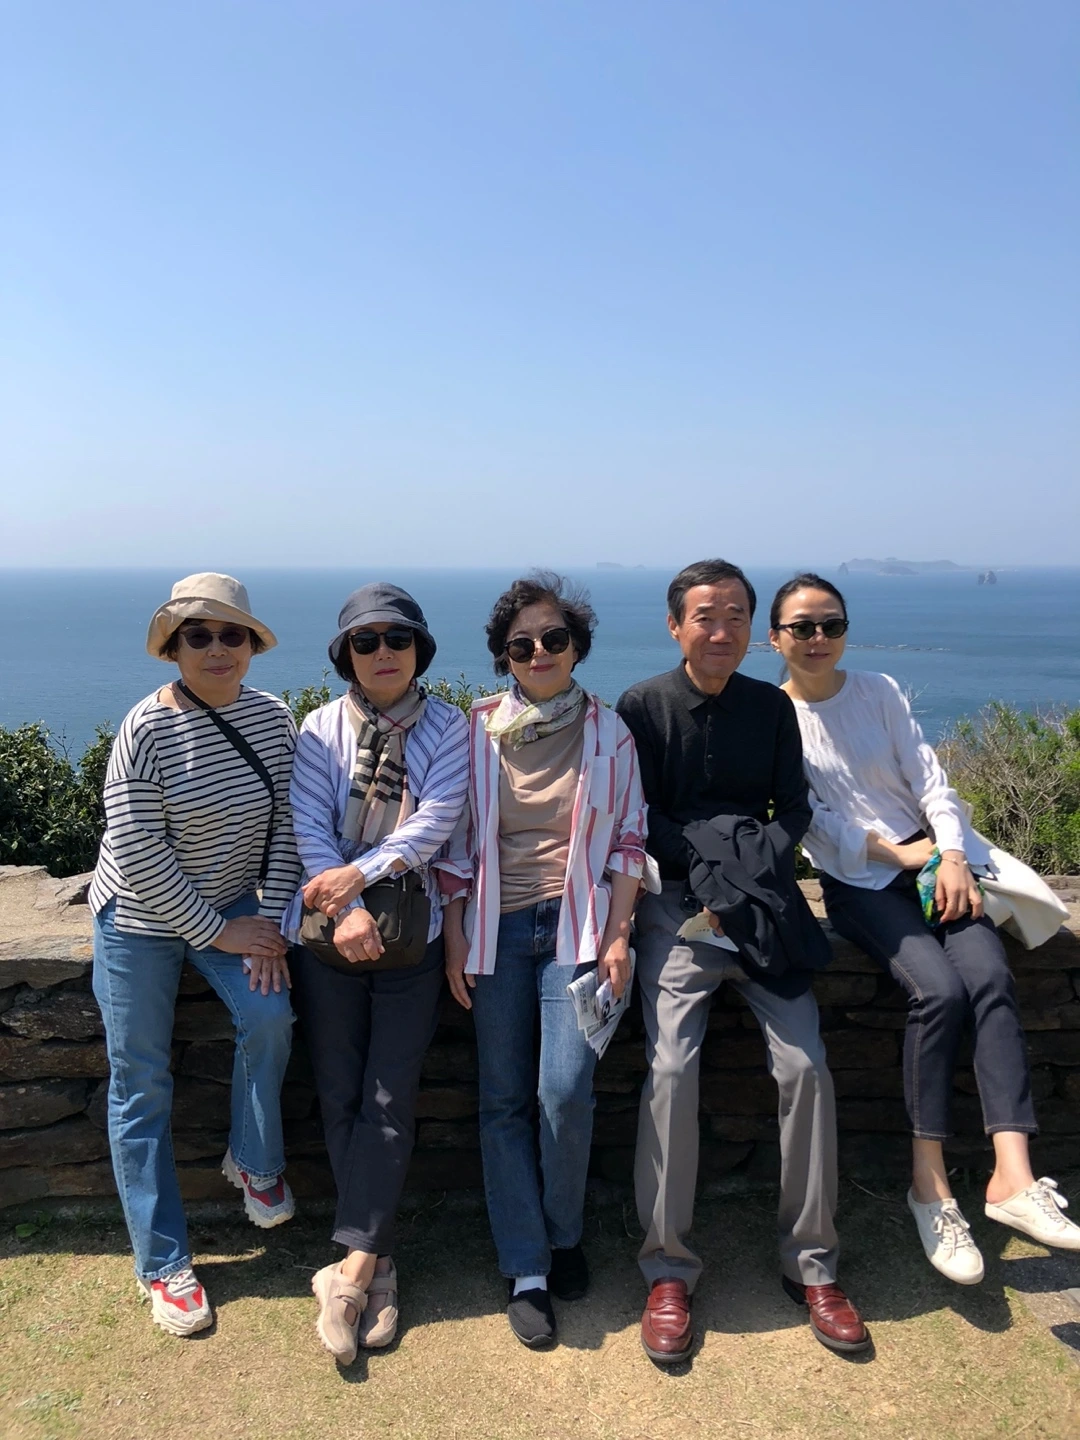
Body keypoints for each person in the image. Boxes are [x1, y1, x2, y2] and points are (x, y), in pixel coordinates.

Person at [771, 572, 1080, 1282]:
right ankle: (930, 1188)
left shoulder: (877, 690)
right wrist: (899, 853)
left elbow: (931, 779)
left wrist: (948, 853)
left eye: (831, 624)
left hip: (940, 861)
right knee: (937, 990)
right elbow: (810, 819)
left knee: (991, 978)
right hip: (860, 880)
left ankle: (1012, 1178)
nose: (818, 638)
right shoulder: (775, 717)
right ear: (776, 637)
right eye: (802, 627)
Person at [615, 558, 869, 1363]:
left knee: (807, 1066)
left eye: (734, 616)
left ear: (753, 630)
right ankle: (667, 1268)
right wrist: (706, 870)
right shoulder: (643, 706)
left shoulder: (771, 707)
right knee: (669, 1070)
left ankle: (813, 1262)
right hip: (677, 907)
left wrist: (750, 868)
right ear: (675, 626)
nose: (719, 630)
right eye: (704, 615)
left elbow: (792, 807)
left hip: (761, 906)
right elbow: (637, 814)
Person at [441, 573, 652, 1349]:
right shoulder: (475, 728)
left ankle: (564, 1235)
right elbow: (454, 840)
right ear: (504, 656)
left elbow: (630, 838)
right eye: (521, 643)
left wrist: (620, 934)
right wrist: (454, 935)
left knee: (564, 1092)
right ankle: (526, 1265)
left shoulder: (610, 732)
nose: (538, 652)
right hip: (492, 931)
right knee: (502, 1099)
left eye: (553, 638)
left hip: (578, 929)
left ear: (576, 647)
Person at [89, 573, 301, 1337]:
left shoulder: (273, 719)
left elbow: (288, 828)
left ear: (251, 645)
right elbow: (137, 848)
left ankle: (254, 1159)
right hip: (139, 918)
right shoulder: (144, 728)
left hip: (238, 904)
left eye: (230, 634)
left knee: (270, 1017)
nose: (217, 648)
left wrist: (268, 920)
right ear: (174, 649)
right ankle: (163, 1262)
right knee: (140, 1083)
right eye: (198, 636)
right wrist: (217, 932)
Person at [286, 583, 469, 1365]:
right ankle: (378, 1261)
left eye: (398, 639)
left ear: (419, 649)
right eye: (366, 642)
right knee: (339, 1092)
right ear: (346, 655)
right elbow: (307, 823)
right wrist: (347, 907)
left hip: (411, 935)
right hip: (330, 936)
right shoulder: (319, 729)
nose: (383, 653)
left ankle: (350, 1275)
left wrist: (359, 880)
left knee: (389, 1097)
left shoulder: (451, 728)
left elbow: (436, 821)